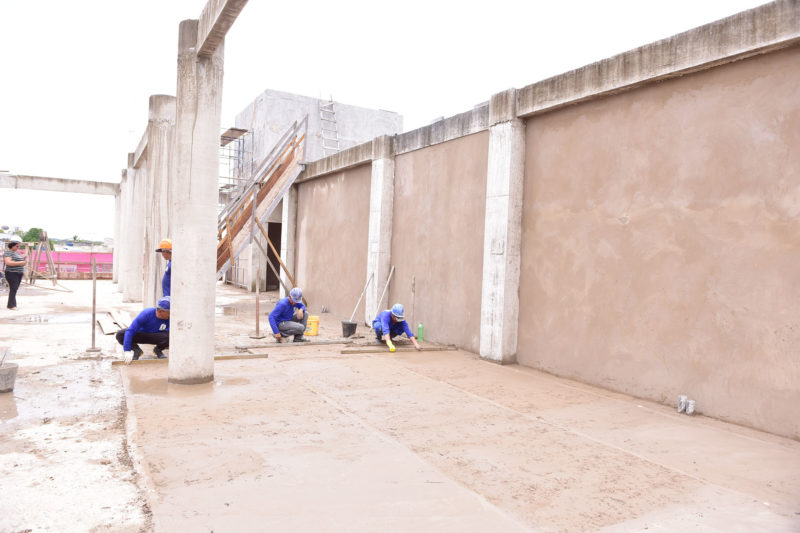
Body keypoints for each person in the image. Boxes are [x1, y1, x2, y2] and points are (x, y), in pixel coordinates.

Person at [116, 296, 171, 364]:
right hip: (141, 334)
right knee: (121, 335)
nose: (170, 314)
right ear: (160, 311)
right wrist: (127, 350)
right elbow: (130, 331)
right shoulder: (146, 314)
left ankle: (158, 350)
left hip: (157, 336)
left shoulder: (170, 318)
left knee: (171, 336)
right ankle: (137, 350)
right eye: (169, 312)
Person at [3, 238, 26, 310]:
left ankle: (11, 304)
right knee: (13, 288)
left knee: (15, 289)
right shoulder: (8, 253)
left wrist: (23, 261)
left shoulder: (16, 253)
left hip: (19, 273)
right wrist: (20, 263)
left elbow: (20, 262)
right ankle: (11, 305)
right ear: (12, 246)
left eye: (19, 246)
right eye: (17, 246)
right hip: (12, 273)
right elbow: (8, 262)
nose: (18, 248)